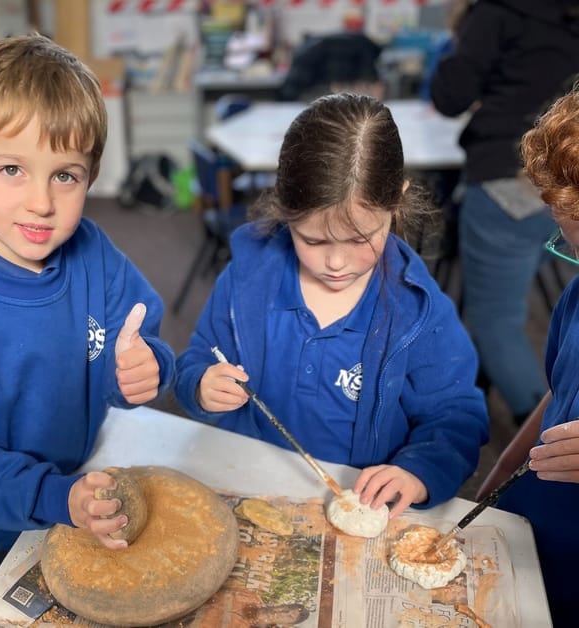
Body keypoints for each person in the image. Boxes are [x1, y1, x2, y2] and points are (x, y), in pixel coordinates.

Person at [0, 34, 176, 627]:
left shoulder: (94, 252)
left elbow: (142, 344)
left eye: (65, 175)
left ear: (91, 176)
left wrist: (150, 368)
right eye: (12, 168)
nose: (41, 202)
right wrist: (56, 498)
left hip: (80, 484)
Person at [174, 93, 489, 519]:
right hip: (246, 482)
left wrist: (417, 472)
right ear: (285, 208)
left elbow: (456, 415)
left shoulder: (418, 312)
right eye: (314, 240)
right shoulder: (248, 279)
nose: (336, 262)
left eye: (361, 239)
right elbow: (199, 356)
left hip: (355, 501)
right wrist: (199, 386)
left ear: (397, 201)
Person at [429, 0, 579, 425]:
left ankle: (547, 441)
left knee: (496, 324)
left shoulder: (497, 11)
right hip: (564, 173)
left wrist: (461, 33)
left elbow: (449, 95)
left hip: (509, 177)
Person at [477, 87, 579, 628]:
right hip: (535, 534)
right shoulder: (576, 297)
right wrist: (503, 469)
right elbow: (561, 392)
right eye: (572, 245)